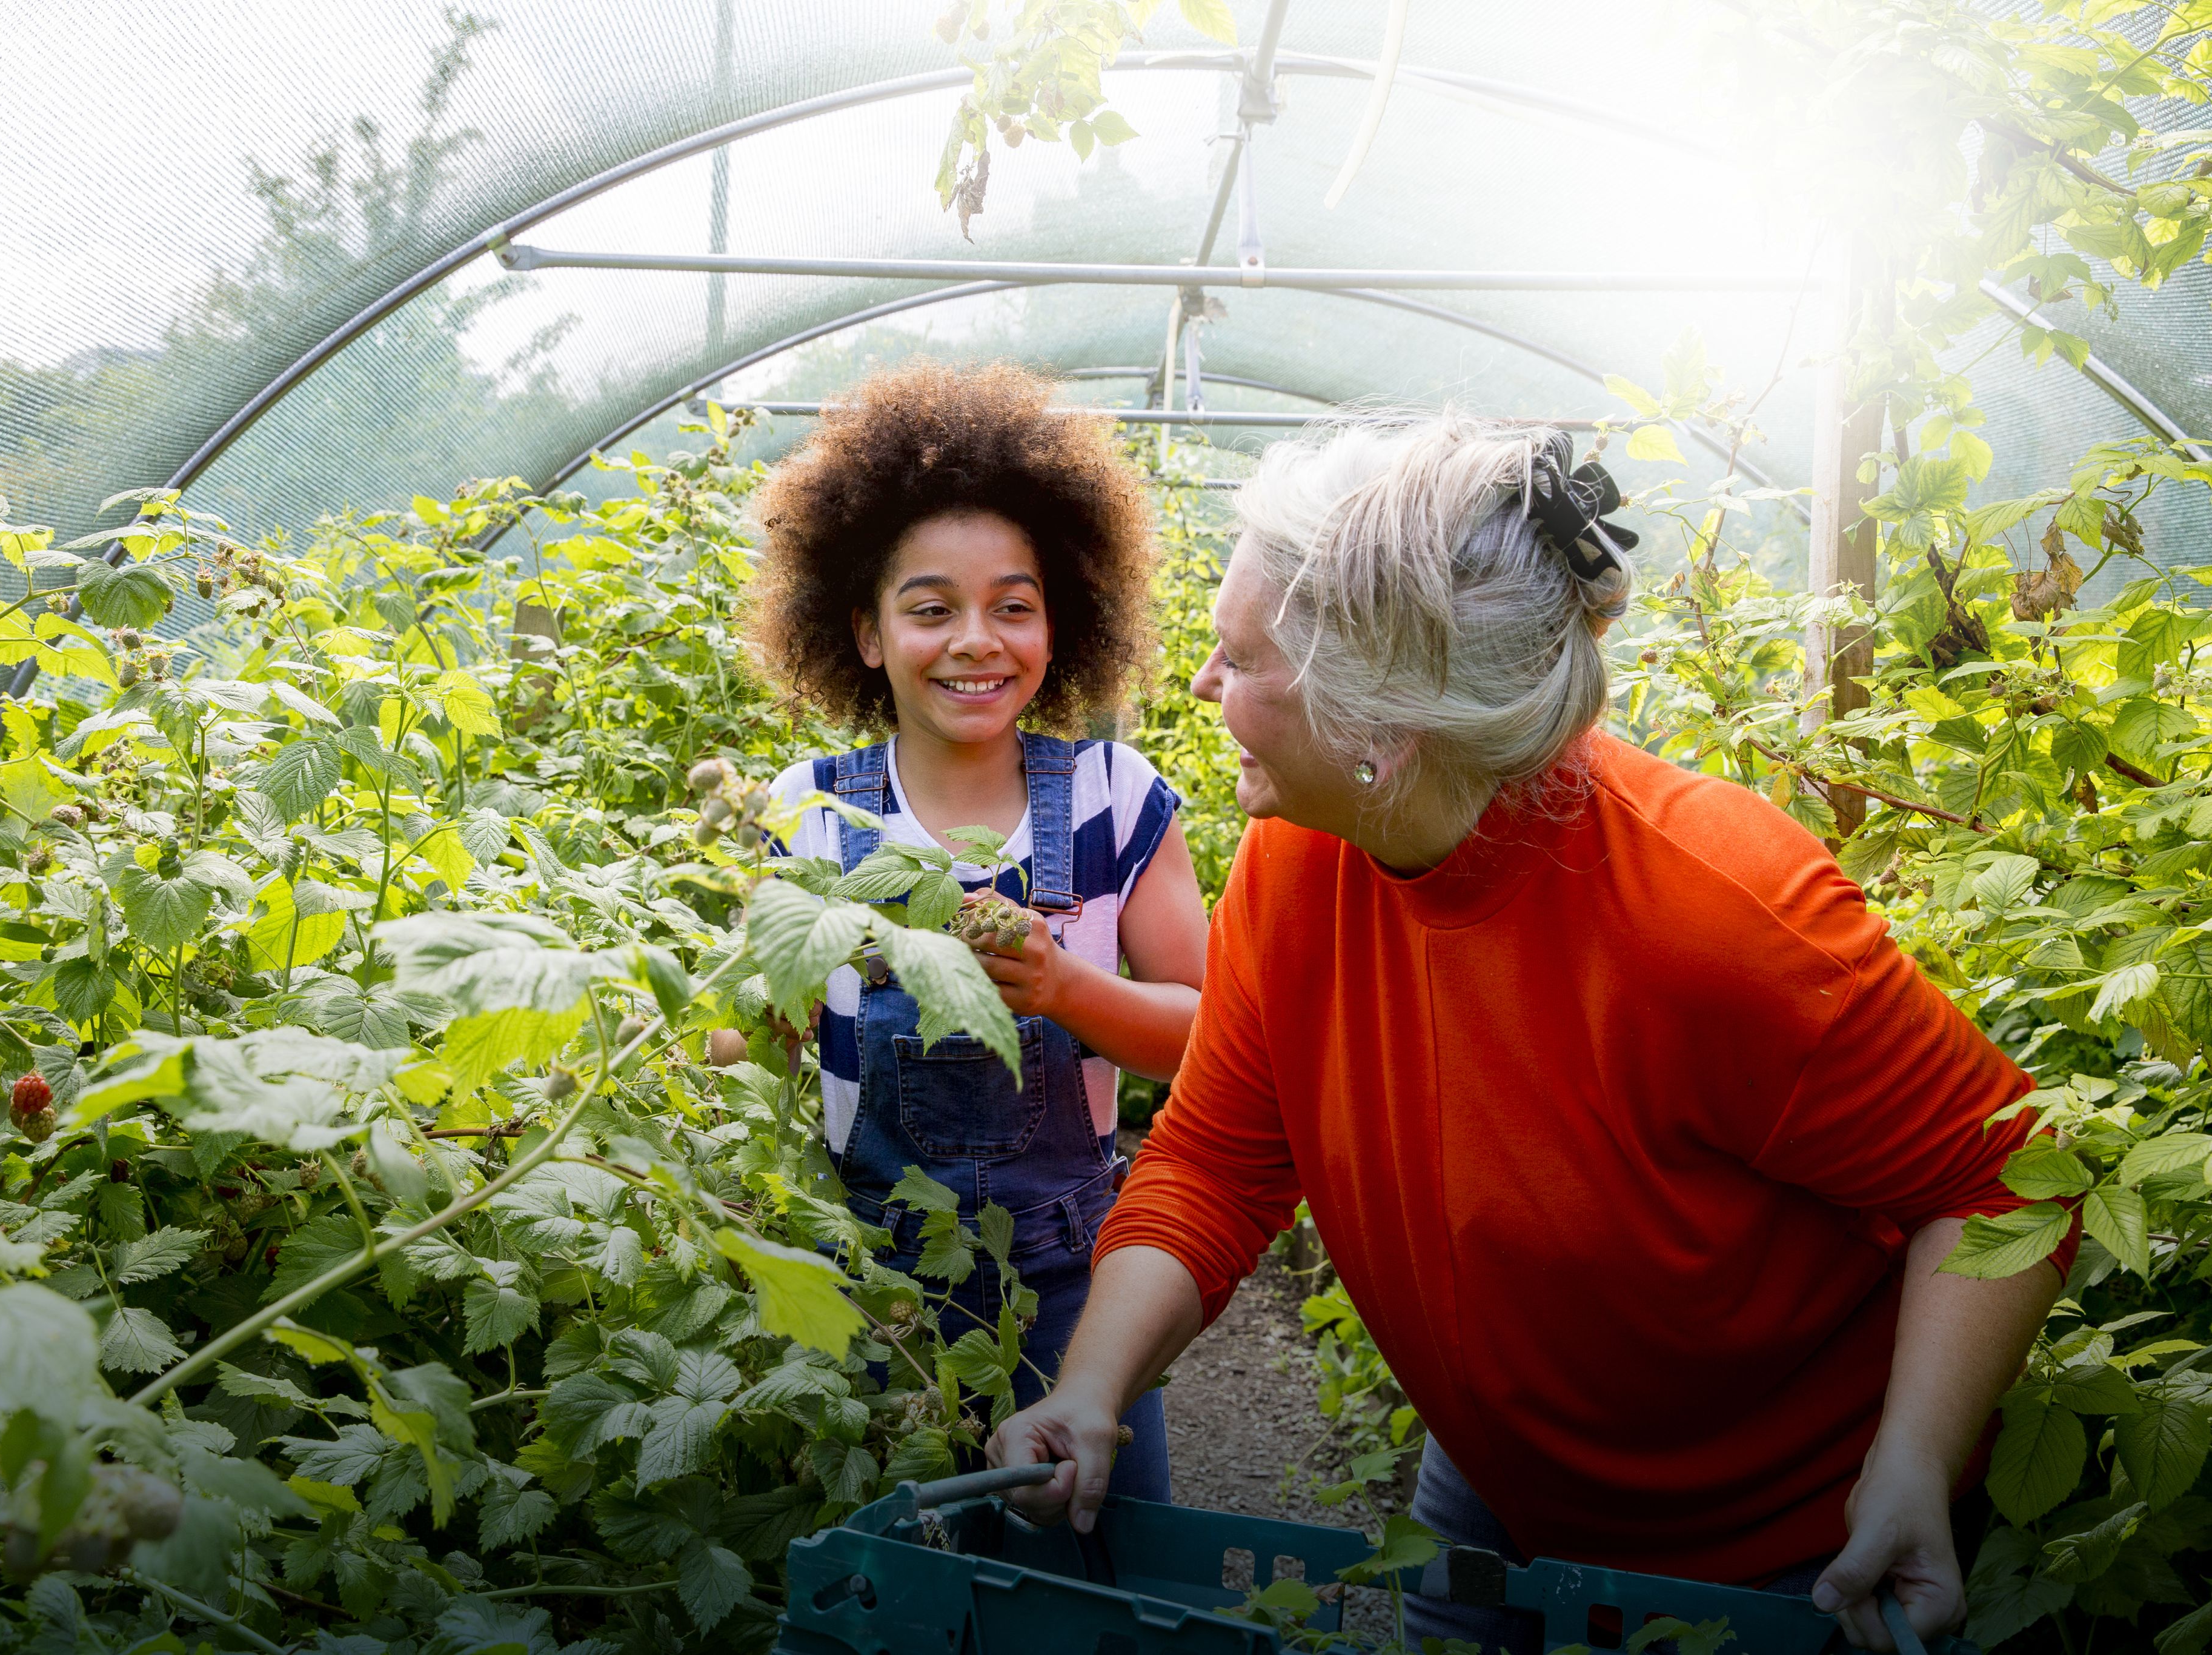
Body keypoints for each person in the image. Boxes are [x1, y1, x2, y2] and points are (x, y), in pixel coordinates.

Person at [986, 411, 2075, 1651]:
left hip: (1780, 1556)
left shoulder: (1717, 916)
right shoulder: (1298, 867)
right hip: (1493, 1491)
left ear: (1378, 732)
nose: (1200, 686)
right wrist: (1089, 1391)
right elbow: (1215, 1161)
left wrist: (1910, 1471)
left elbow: (2005, 1181)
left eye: (1238, 659)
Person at [746, 361, 1209, 1500]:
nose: (976, 641)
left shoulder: (1117, 798)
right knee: (901, 1571)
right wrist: (764, 1015)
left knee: (1097, 1562)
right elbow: (745, 1055)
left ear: (1062, 622)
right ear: (863, 632)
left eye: (1014, 605)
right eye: (931, 608)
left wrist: (1066, 990)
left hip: (1072, 1288)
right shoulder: (812, 811)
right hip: (870, 1289)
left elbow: (1208, 1037)